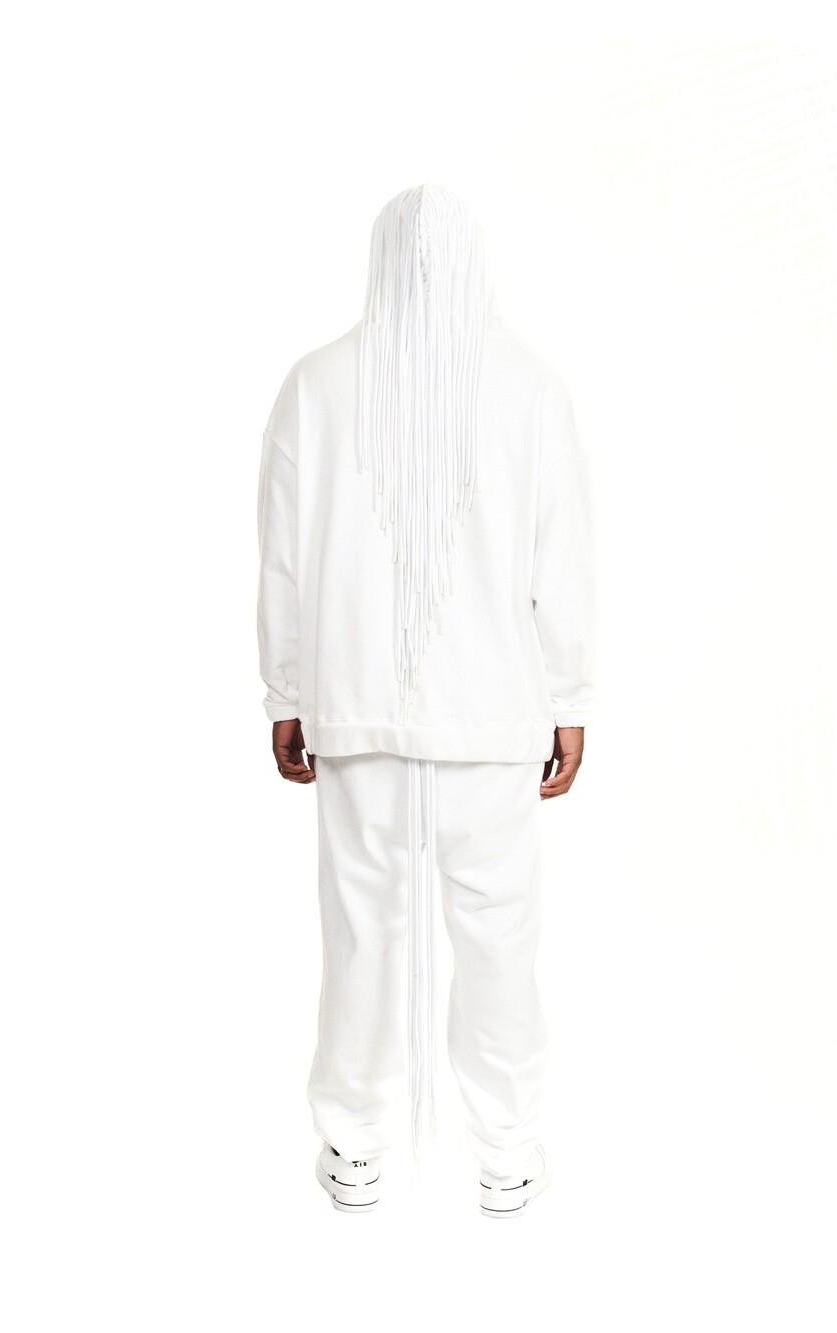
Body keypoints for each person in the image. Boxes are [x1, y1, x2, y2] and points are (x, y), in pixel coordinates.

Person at [256, 183, 595, 1217]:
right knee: (499, 937)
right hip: (493, 715)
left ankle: (354, 1145)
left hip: (357, 709)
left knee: (362, 932)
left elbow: (281, 559)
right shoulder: (530, 386)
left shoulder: (315, 385)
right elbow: (563, 557)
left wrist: (288, 689)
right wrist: (568, 692)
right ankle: (507, 1151)